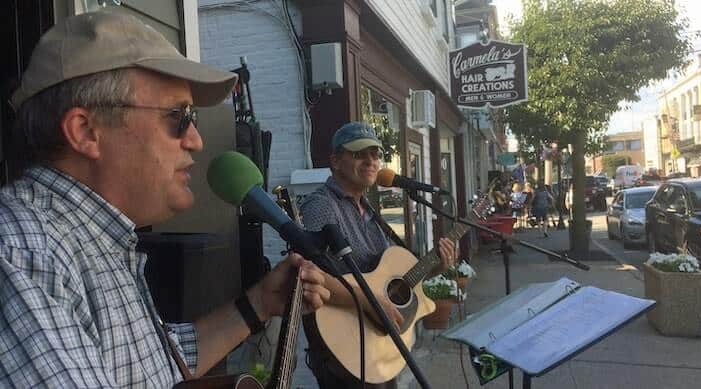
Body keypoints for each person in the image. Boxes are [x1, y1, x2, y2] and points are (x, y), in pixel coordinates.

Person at [0, 11, 330, 388]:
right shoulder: (24, 250)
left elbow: (151, 365)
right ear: (86, 131)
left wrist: (257, 305)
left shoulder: (89, 241)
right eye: (179, 116)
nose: (196, 140)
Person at [299, 122, 457, 389]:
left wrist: (435, 267)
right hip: (346, 344)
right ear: (336, 161)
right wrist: (370, 301)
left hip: (377, 342)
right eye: (360, 154)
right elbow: (308, 274)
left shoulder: (369, 210)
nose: (371, 161)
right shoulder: (322, 205)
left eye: (375, 154)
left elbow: (391, 280)